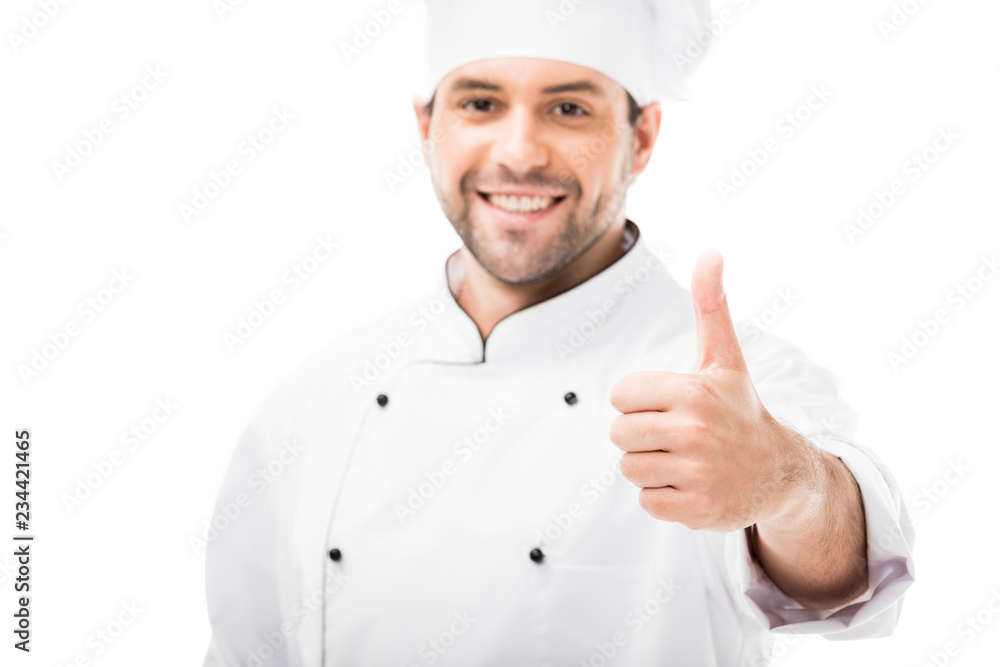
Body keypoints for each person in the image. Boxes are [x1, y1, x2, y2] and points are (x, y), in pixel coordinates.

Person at [202, 1, 915, 664]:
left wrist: (784, 482)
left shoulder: (725, 386)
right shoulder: (315, 401)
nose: (519, 152)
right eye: (480, 103)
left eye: (568, 108)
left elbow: (845, 567)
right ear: (426, 127)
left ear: (642, 138)